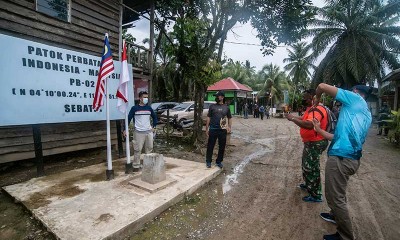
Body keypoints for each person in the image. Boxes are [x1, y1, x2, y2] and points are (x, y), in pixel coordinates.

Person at [312, 84, 372, 240]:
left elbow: (321, 86)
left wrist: (317, 100)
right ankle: (334, 215)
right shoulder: (365, 113)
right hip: (350, 159)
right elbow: (336, 136)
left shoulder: (354, 99)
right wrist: (319, 130)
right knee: (339, 193)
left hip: (341, 158)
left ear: (356, 92)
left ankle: (345, 236)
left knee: (334, 196)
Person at [285, 89, 329, 203]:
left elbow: (310, 125)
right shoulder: (311, 109)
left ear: (313, 97)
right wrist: (292, 117)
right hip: (310, 142)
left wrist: (293, 119)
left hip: (316, 142)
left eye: (306, 98)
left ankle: (316, 194)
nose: (303, 100)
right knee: (306, 164)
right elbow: (304, 119)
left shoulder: (318, 109)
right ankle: (308, 184)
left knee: (312, 167)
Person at [125, 91, 158, 172]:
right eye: (144, 97)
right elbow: (128, 119)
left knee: (149, 149)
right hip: (138, 132)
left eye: (147, 97)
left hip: (148, 132)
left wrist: (154, 126)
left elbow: (154, 117)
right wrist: (125, 129)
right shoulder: (134, 108)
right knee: (137, 150)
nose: (146, 99)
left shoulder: (149, 108)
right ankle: (136, 166)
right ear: (140, 98)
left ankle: (148, 165)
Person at [205, 91, 232, 169]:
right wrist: (207, 128)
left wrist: (229, 127)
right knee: (210, 146)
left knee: (222, 147)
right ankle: (208, 161)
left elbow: (229, 118)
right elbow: (208, 117)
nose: (216, 97)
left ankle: (218, 161)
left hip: (222, 130)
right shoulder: (212, 106)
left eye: (218, 96)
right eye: (216, 96)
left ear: (222, 97)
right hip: (213, 129)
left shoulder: (226, 107)